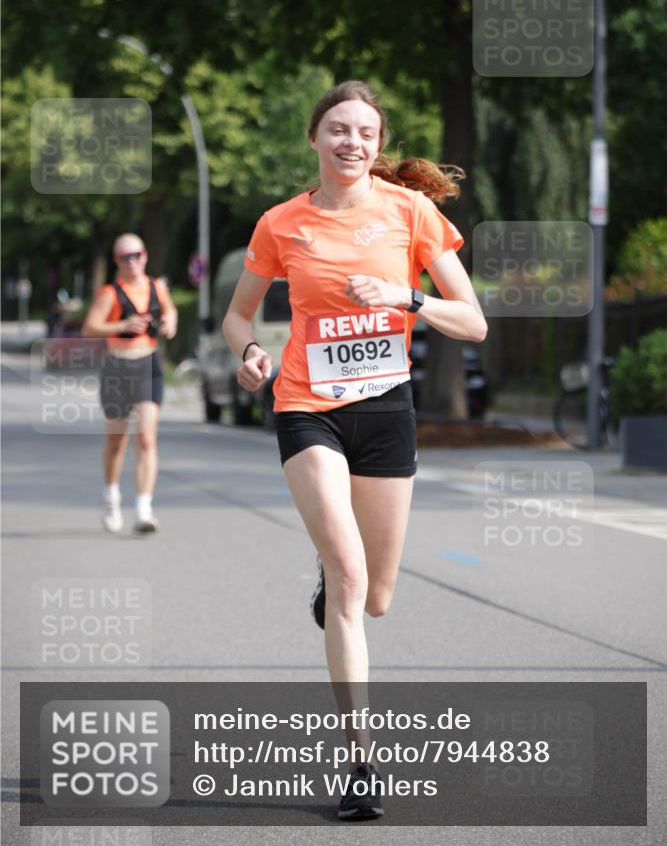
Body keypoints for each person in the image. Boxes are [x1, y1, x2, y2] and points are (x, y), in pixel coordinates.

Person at [222, 80, 487, 820]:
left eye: (364, 133)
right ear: (314, 138)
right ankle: (361, 764)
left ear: (377, 144)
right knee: (347, 575)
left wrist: (405, 300)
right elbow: (237, 316)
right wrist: (248, 354)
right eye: (337, 129)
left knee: (375, 597)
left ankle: (334, 572)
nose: (351, 143)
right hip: (307, 406)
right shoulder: (282, 222)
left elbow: (472, 322)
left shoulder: (410, 213)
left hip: (384, 410)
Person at [81, 234, 178, 534]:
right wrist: (122, 325)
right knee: (117, 441)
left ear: (145, 256)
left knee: (146, 438)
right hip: (117, 367)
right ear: (117, 262)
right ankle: (111, 497)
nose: (132, 261)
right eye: (125, 257)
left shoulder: (156, 287)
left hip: (148, 365)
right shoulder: (109, 293)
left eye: (136, 255)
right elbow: (88, 329)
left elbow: (170, 311)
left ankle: (144, 509)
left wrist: (170, 324)